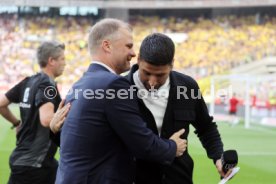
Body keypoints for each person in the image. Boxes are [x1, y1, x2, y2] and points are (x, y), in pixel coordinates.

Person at [51, 33, 229, 184]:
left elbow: (206, 127)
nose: (152, 81)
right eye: (147, 73)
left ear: (172, 65)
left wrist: (218, 156)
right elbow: (85, 141)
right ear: (139, 60)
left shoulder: (187, 87)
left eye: (160, 75)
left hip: (179, 178)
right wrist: (55, 131)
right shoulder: (117, 89)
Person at [55, 18, 187, 184]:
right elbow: (142, 143)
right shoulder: (114, 84)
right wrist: (172, 147)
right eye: (129, 46)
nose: (133, 53)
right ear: (107, 46)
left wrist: (54, 130)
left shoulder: (80, 84)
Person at [0, 41, 66, 184]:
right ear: (51, 61)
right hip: (34, 166)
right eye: (62, 59)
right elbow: (46, 119)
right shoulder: (47, 85)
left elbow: (1, 104)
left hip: (31, 161)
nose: (65, 63)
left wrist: (16, 123)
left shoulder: (28, 81)